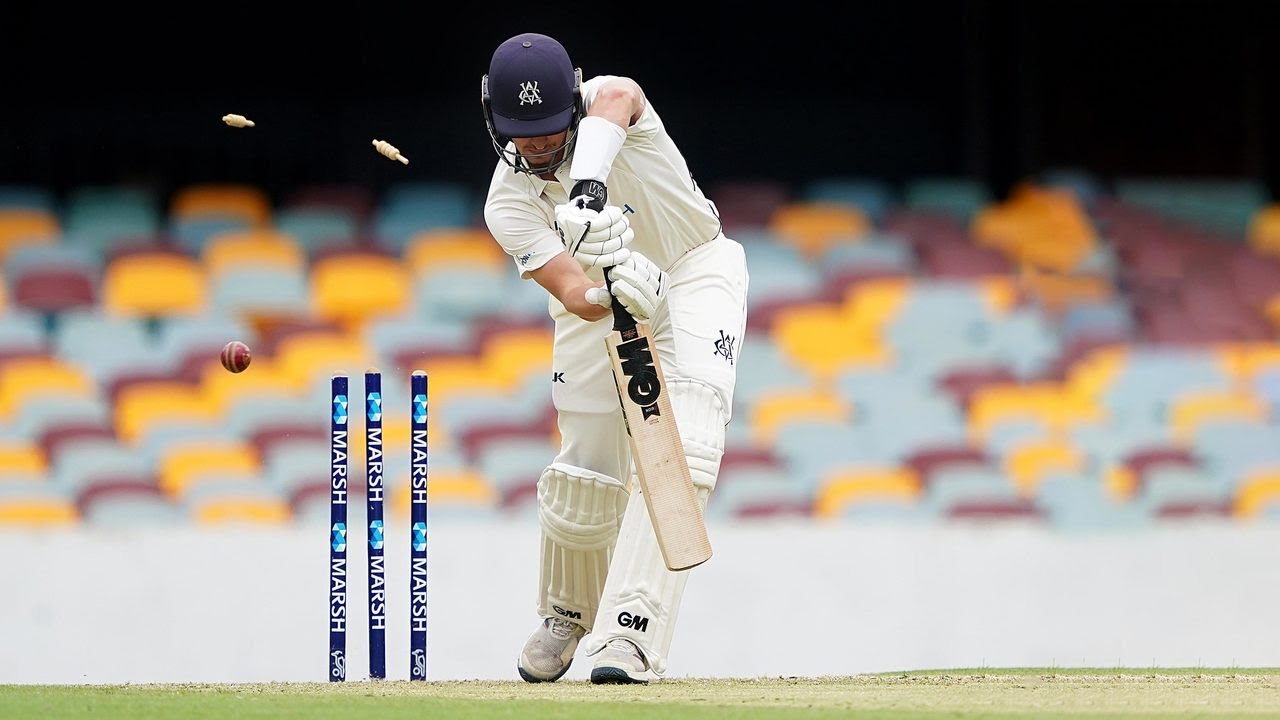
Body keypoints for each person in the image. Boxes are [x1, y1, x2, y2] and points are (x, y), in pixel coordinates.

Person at [479, 32, 749, 684]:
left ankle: (631, 632)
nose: (539, 147)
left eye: (549, 130)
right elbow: (573, 292)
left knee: (693, 438)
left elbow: (621, 96)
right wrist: (613, 291)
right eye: (523, 134)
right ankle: (569, 612)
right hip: (602, 296)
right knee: (587, 466)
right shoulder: (507, 203)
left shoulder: (609, 102)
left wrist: (589, 190)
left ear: (573, 102)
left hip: (692, 269)